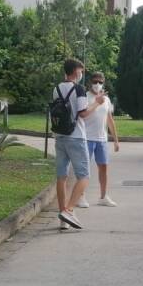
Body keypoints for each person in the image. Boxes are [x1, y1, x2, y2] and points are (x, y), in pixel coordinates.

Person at [52, 59, 106, 231]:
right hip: (76, 137)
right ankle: (69, 210)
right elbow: (83, 114)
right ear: (76, 71)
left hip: (59, 136)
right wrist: (97, 103)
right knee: (84, 176)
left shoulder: (57, 88)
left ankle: (63, 217)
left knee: (62, 176)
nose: (82, 74)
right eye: (81, 71)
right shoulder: (79, 89)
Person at [82, 71, 120, 207]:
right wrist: (97, 103)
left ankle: (103, 197)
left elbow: (110, 120)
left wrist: (115, 140)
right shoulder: (85, 97)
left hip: (102, 139)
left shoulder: (107, 100)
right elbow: (83, 116)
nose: (97, 84)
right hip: (87, 138)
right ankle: (81, 196)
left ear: (104, 83)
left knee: (103, 167)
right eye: (95, 82)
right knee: (84, 168)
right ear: (90, 83)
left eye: (100, 82)